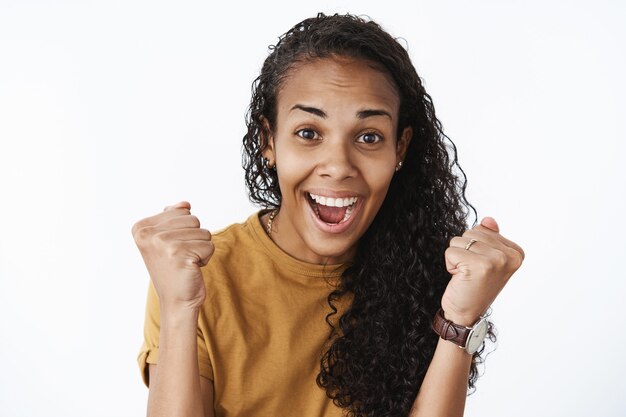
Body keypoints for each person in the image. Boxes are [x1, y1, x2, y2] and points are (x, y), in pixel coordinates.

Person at [133, 13, 524, 417]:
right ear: (268, 140)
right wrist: (179, 307)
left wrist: (458, 320)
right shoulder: (197, 275)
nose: (338, 166)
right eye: (308, 133)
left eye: (369, 137)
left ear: (400, 149)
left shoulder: (425, 276)